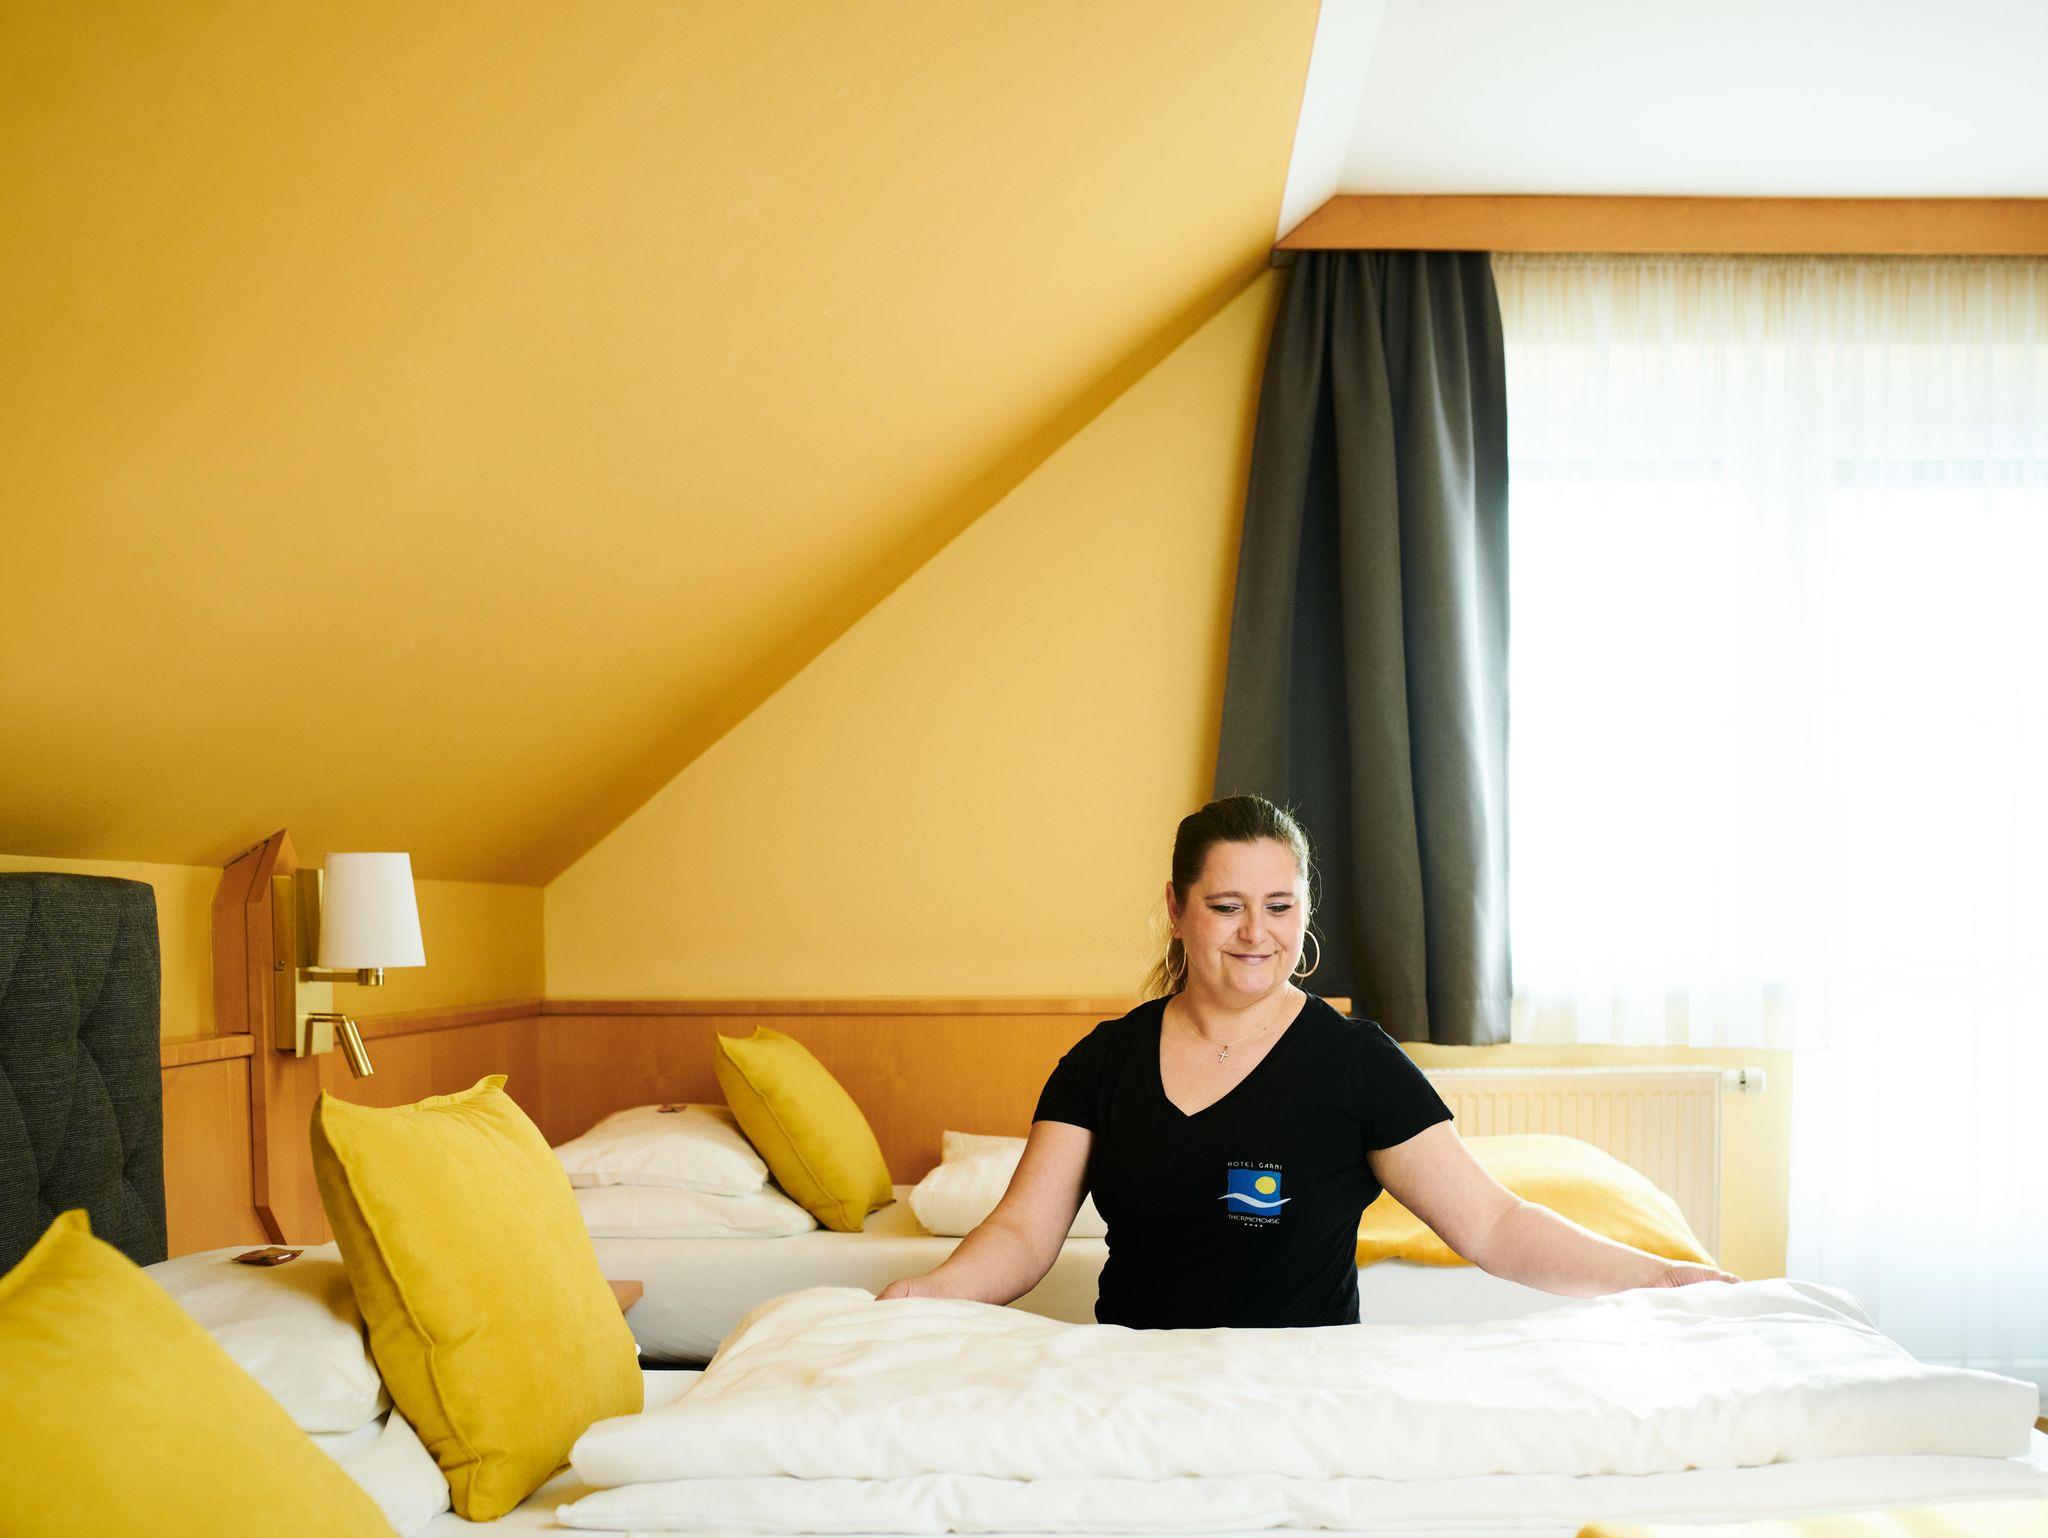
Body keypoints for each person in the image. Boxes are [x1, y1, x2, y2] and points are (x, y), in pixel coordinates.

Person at [879, 794, 1737, 1327]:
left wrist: (1660, 1278)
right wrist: (932, 1292)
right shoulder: (1102, 1062)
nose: (1256, 933)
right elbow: (1024, 1233)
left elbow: (1494, 1224)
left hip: (1300, 1393)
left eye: (1279, 906)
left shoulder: (1356, 1063)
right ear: (1176, 909)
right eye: (1226, 906)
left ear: (1305, 910)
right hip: (1138, 1389)